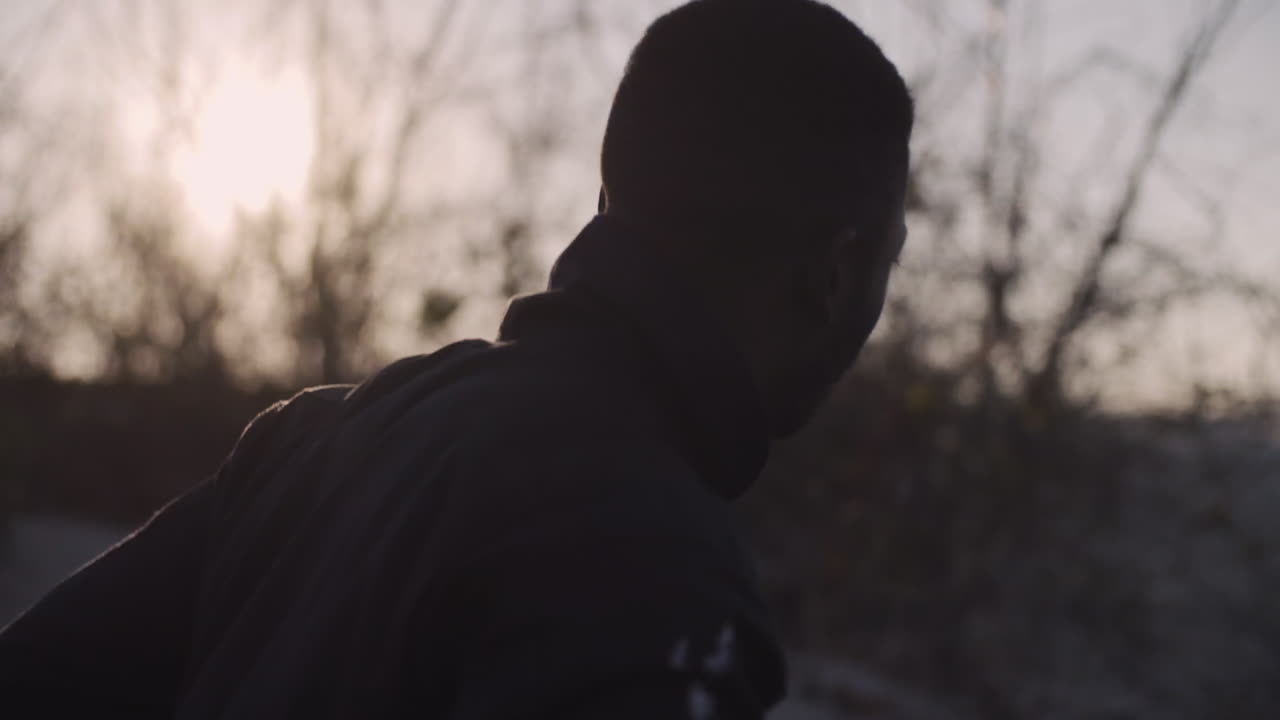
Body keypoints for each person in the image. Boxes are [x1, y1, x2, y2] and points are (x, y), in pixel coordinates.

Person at [0, 0, 912, 717]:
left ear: (606, 199)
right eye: (886, 260)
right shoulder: (664, 578)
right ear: (835, 271)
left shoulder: (316, 444)